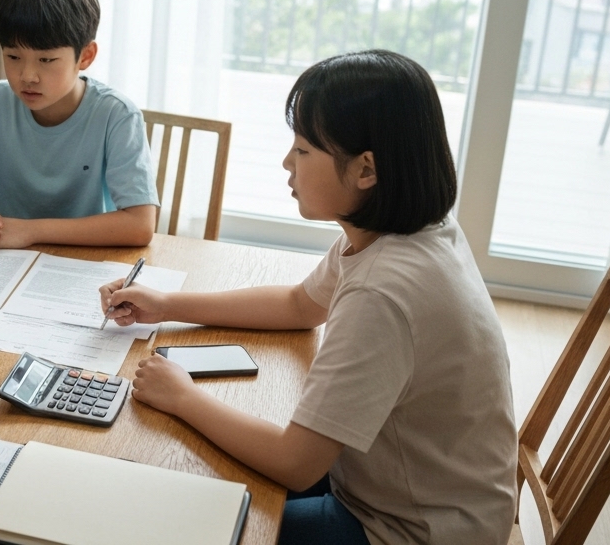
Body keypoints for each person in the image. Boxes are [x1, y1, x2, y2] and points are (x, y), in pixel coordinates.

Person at [101, 50, 516, 544]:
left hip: (405, 530)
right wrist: (167, 304)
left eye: (302, 150)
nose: (286, 163)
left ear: (366, 170)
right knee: (189, 478)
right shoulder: (410, 229)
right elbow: (300, 306)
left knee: (179, 521)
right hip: (408, 490)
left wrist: (184, 396)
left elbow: (296, 465)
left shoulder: (384, 291)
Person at [0, 0, 159, 250]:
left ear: (85, 56)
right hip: (1, 261)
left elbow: (140, 225)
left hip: (83, 262)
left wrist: (30, 231)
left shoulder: (117, 116)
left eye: (46, 59)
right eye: (13, 57)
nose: (28, 76)